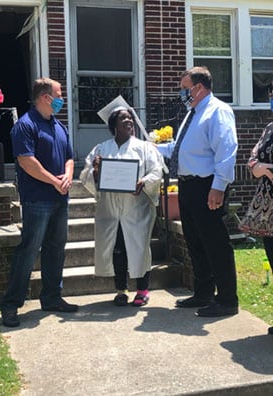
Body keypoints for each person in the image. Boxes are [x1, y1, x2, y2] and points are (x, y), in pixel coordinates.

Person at [155, 66, 239, 317]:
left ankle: (226, 299)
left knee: (215, 244)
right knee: (195, 242)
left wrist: (218, 187)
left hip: (207, 186)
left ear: (199, 87)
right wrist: (151, 148)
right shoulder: (192, 114)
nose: (182, 93)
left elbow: (227, 150)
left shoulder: (218, 112)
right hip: (187, 185)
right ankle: (203, 292)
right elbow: (179, 149)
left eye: (184, 88)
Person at [0, 77, 78, 328]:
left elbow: (69, 157)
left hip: (59, 199)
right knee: (29, 250)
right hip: (37, 200)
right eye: (58, 94)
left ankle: (52, 297)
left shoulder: (59, 126)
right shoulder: (25, 125)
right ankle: (11, 305)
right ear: (45, 97)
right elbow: (26, 162)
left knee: (56, 249)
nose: (61, 98)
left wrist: (67, 175)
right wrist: (54, 182)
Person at [80, 107, 164, 306]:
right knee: (117, 248)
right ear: (113, 125)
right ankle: (121, 290)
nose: (129, 121)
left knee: (139, 248)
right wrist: (96, 173)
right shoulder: (101, 149)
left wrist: (142, 182)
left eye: (130, 118)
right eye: (123, 118)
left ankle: (142, 290)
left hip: (137, 208)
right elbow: (85, 175)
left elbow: (156, 171)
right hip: (110, 210)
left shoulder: (144, 148)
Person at [238, 88, 273, 334]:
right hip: (267, 209)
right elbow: (252, 160)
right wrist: (261, 167)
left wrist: (265, 167)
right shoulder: (269, 128)